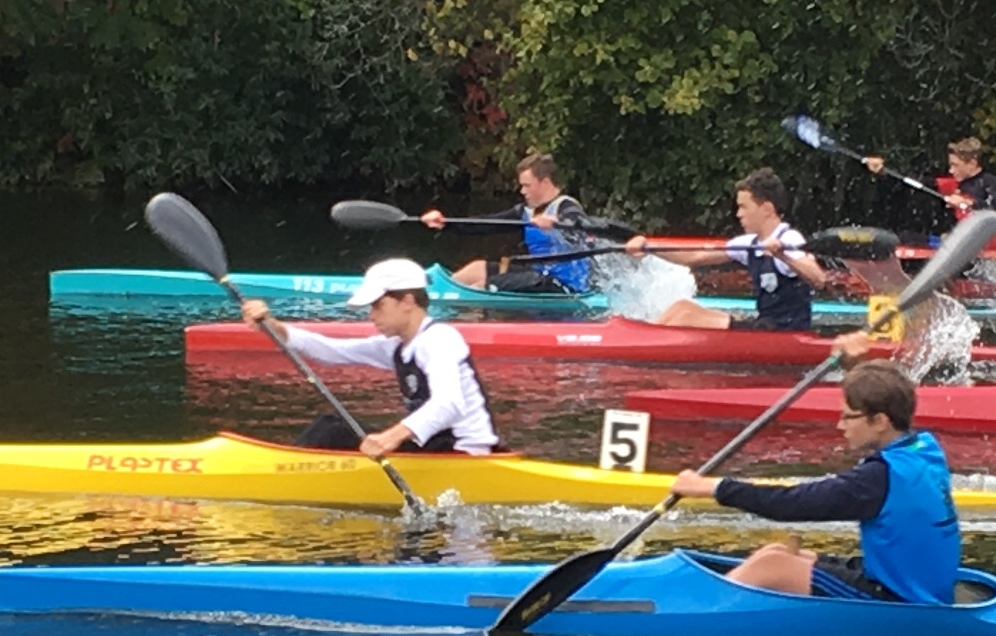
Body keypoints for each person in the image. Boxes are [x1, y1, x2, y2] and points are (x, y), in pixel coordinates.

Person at [668, 334, 961, 602]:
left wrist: (713, 488)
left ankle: (687, 613)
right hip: (915, 582)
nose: (840, 425)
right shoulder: (924, 448)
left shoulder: (876, 478)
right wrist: (855, 368)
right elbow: (886, 396)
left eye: (848, 417)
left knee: (772, 566)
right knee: (779, 552)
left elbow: (790, 505)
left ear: (880, 421)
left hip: (899, 599)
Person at [239, 257, 498, 453]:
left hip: (465, 452)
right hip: (436, 447)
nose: (371, 315)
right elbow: (333, 351)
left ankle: (285, 474)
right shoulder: (400, 344)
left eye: (378, 305)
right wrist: (274, 327)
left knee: (335, 431)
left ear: (407, 301)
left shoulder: (439, 339)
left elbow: (448, 404)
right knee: (333, 425)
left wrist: (390, 437)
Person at [624, 167, 832, 330]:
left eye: (743, 207)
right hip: (764, 326)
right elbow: (696, 256)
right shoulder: (749, 243)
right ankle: (646, 339)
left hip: (785, 333)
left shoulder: (789, 238)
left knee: (686, 314)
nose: (738, 214)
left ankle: (640, 348)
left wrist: (783, 255)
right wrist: (649, 246)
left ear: (767, 209)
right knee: (681, 308)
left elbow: (818, 279)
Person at [431, 152, 622, 296]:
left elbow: (579, 224)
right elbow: (487, 224)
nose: (522, 191)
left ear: (545, 182)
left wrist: (556, 223)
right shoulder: (525, 211)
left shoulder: (566, 207)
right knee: (477, 268)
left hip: (565, 286)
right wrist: (446, 223)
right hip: (536, 277)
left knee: (482, 284)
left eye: (527, 185)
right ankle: (434, 294)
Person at [864, 136, 996, 219]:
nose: (951, 170)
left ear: (972, 163)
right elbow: (914, 182)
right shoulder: (952, 184)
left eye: (956, 165)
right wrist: (883, 171)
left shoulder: (991, 182)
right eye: (950, 165)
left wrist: (967, 202)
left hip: (995, 257)